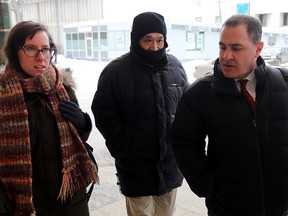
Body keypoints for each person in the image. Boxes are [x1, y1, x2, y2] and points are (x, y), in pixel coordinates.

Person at [170, 14, 288, 216]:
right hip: (227, 207)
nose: (226, 56)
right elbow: (183, 141)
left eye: (236, 48)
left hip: (279, 207)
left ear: (258, 48)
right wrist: (207, 185)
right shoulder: (201, 93)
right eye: (222, 47)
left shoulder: (284, 83)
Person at [91, 11, 189, 216]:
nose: (154, 47)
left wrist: (181, 144)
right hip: (135, 166)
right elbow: (103, 111)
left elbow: (186, 107)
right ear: (136, 40)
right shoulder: (116, 71)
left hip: (170, 164)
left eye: (159, 40)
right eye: (148, 40)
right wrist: (122, 147)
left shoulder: (175, 67)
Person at [0, 21, 98, 216]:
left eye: (45, 49)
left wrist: (83, 123)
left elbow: (78, 140)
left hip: (71, 202)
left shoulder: (63, 89)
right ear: (13, 51)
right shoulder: (3, 97)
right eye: (30, 49)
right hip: (28, 205)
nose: (40, 57)